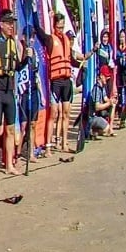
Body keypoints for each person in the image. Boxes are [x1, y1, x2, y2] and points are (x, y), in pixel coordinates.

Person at [0, 2, 32, 180]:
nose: (11, 26)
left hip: (10, 91)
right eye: (8, 23)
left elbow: (17, 67)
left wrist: (26, 56)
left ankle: (9, 164)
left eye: (13, 23)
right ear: (1, 24)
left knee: (10, 130)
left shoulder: (12, 43)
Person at [34, 13, 79, 153]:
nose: (61, 29)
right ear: (54, 26)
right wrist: (35, 13)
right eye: (59, 26)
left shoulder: (66, 40)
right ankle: (48, 146)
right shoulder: (50, 39)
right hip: (56, 81)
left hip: (66, 81)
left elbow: (71, 59)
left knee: (66, 113)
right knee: (53, 114)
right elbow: (38, 29)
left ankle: (64, 143)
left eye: (62, 26)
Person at [90, 65, 116, 138]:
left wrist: (111, 101)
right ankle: (93, 131)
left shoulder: (102, 87)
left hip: (99, 114)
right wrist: (109, 103)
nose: (107, 78)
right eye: (106, 76)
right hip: (93, 117)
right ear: (101, 75)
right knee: (105, 131)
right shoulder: (96, 88)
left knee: (113, 105)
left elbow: (105, 98)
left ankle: (110, 128)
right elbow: (97, 107)